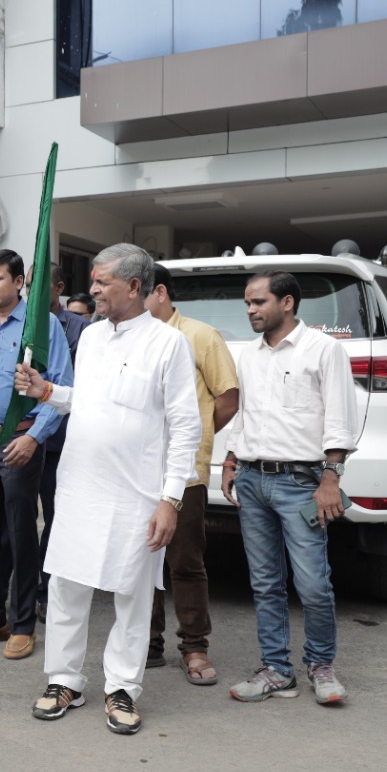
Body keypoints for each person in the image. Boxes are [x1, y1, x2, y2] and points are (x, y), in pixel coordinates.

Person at [17, 243, 200, 737]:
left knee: (133, 594)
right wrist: (48, 392)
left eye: (102, 282)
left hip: (137, 492)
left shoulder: (168, 344)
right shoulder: (93, 338)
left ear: (135, 287)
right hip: (80, 486)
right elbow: (93, 402)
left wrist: (170, 498)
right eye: (93, 281)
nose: (92, 289)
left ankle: (122, 688)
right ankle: (64, 681)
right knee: (66, 587)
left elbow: (186, 427)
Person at [223, 271, 360, 705]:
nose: (250, 310)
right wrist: (229, 460)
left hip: (301, 483)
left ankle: (321, 666)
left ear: (287, 303)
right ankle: (277, 671)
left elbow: (339, 417)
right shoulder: (248, 355)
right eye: (247, 303)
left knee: (313, 583)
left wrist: (330, 479)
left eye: (259, 302)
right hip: (251, 477)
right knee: (264, 583)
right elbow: (242, 413)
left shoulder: (323, 350)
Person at [0, 249, 72, 660]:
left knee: (21, 533)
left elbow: (58, 386)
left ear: (19, 282)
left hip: (21, 439)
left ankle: (23, 624)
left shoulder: (44, 327)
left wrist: (34, 438)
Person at [143, 264, 240, 685]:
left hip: (183, 473)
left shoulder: (200, 335)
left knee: (185, 561)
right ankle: (145, 644)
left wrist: (196, 439)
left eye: (138, 291)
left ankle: (195, 647)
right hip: (135, 471)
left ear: (158, 292)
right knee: (139, 561)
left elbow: (229, 399)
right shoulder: (131, 339)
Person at [34, 274, 95, 618]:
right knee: (18, 521)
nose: (32, 291)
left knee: (57, 517)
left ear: (58, 287)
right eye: (28, 284)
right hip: (22, 437)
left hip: (62, 440)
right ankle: (18, 592)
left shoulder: (80, 328)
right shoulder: (22, 324)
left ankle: (47, 590)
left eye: (40, 284)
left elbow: (76, 384)